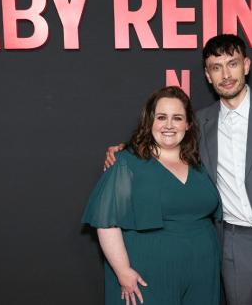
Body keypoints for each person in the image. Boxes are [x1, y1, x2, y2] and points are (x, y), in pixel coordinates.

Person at [105, 34, 252, 305]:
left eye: (233, 64)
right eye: (216, 67)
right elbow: (168, 141)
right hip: (231, 244)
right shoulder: (202, 121)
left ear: (247, 66)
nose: (226, 74)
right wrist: (126, 150)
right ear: (208, 75)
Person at [82, 86, 222, 305]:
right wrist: (123, 271)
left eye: (177, 118)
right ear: (150, 123)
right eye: (161, 117)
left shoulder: (200, 162)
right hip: (147, 274)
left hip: (202, 272)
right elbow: (107, 223)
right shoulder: (127, 163)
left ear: (188, 124)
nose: (168, 125)